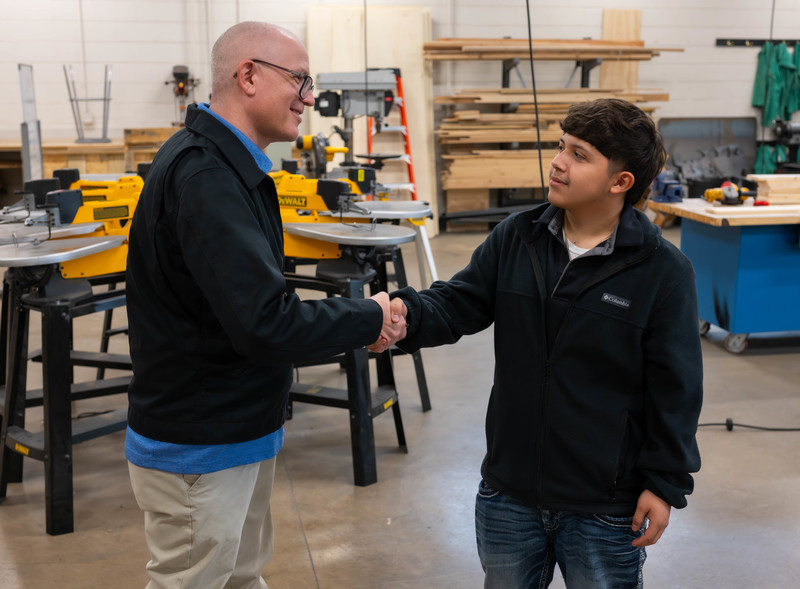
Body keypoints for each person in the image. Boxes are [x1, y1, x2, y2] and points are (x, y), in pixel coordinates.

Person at [376, 98, 703, 588]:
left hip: (604, 506)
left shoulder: (662, 273)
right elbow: (458, 302)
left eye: (579, 154)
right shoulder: (518, 237)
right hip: (510, 492)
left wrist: (664, 484)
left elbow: (675, 392)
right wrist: (404, 316)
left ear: (621, 183)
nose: (558, 161)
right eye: (560, 146)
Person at [125, 21, 405, 589]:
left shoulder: (232, 169)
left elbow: (247, 304)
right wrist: (369, 316)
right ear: (248, 75)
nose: (309, 97)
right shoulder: (205, 176)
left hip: (235, 430)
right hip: (200, 440)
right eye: (299, 80)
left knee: (240, 577)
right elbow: (265, 323)